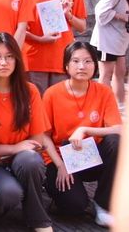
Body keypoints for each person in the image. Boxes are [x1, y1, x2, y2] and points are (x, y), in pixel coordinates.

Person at [0, 33, 57, 232]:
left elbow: (37, 140)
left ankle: (38, 218)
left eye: (9, 56)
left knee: (31, 161)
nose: (4, 62)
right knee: (10, 193)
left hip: (17, 158)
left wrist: (12, 153)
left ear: (17, 59)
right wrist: (13, 148)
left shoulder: (30, 91)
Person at [43, 41, 122, 228]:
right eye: (76, 61)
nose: (82, 66)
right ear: (66, 65)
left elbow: (118, 129)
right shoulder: (52, 94)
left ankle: (103, 205)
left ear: (95, 65)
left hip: (91, 156)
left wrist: (85, 130)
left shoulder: (104, 92)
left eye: (88, 61)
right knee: (75, 206)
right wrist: (60, 165)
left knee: (116, 142)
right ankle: (62, 198)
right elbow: (43, 135)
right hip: (61, 159)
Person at [90, 0, 129, 109]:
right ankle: (102, 107)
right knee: (107, 73)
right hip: (107, 38)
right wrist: (121, 17)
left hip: (120, 38)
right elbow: (100, 11)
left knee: (121, 71)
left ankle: (120, 106)